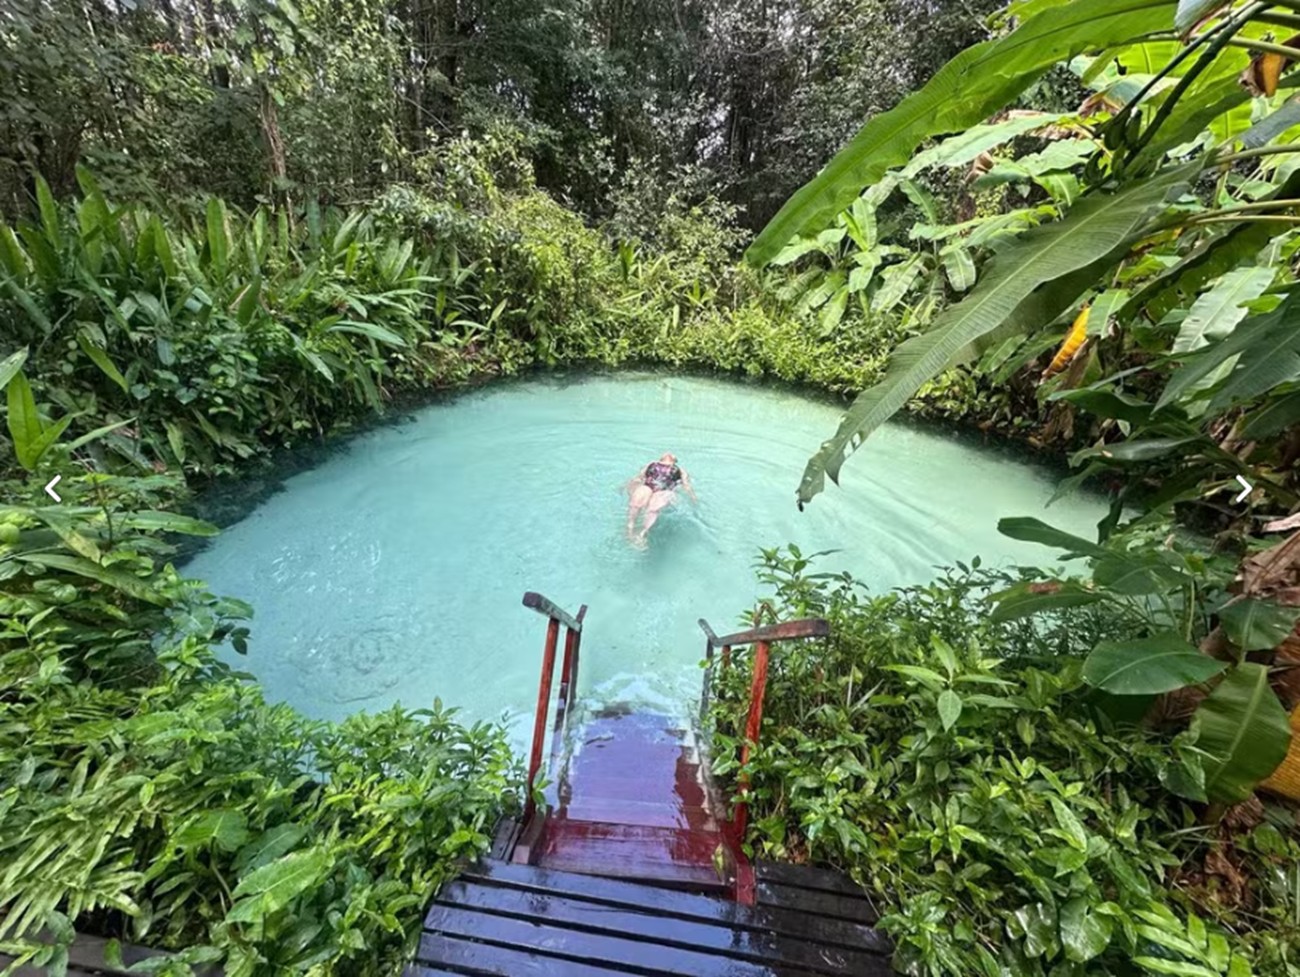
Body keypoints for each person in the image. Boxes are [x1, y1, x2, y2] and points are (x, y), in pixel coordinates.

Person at [625, 452, 696, 547]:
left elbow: (686, 485)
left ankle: (641, 532)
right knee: (639, 505)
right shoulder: (652, 465)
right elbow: (638, 478)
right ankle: (632, 529)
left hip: (661, 490)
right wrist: (693, 497)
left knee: (650, 508)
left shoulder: (679, 470)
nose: (669, 453)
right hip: (653, 488)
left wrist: (692, 496)